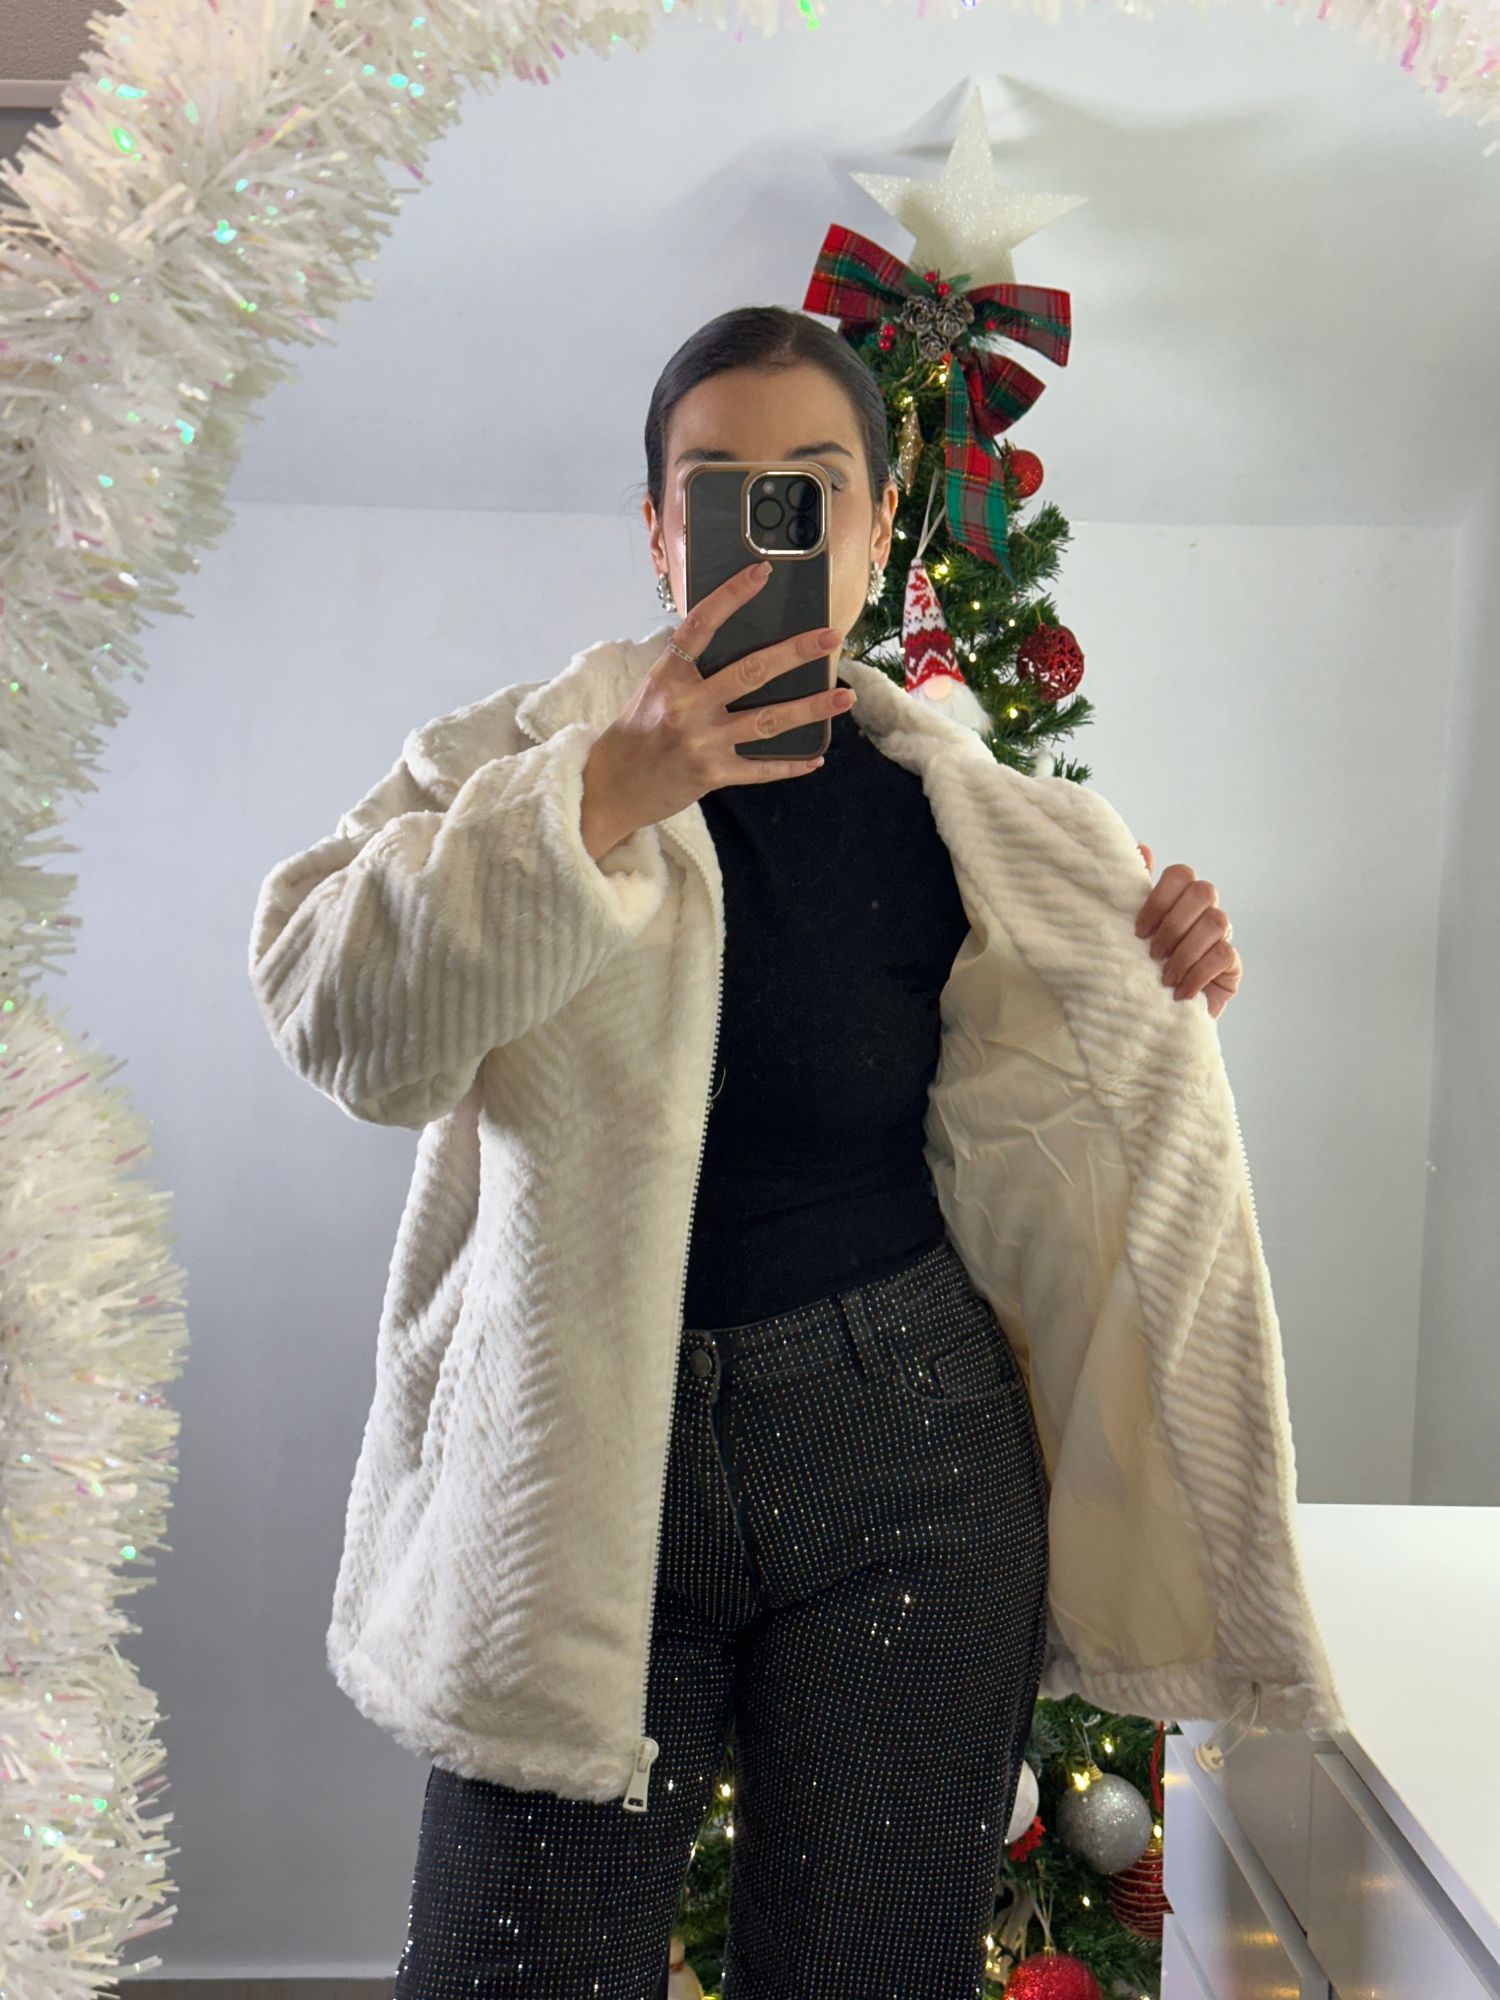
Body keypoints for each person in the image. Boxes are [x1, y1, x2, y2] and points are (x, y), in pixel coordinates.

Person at [248, 305, 1342, 1999]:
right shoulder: (519, 765)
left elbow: (1085, 1097)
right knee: (505, 1969)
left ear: (880, 525)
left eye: (814, 487)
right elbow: (333, 1014)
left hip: (911, 1445)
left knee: (869, 1974)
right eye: (720, 487)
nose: (771, 528)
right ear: (657, 527)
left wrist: (1168, 949)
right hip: (575, 1454)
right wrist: (591, 805)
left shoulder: (963, 810)